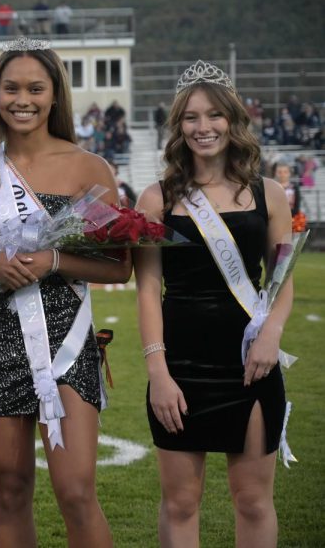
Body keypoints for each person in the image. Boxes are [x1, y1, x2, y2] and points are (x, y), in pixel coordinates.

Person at [0, 38, 130, 548]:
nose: (21, 99)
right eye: (11, 88)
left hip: (67, 339)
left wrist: (53, 260)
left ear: (55, 96)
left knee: (75, 490)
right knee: (10, 489)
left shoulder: (90, 168)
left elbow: (117, 261)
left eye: (35, 88)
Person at [133, 60, 293, 547]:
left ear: (233, 120)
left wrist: (271, 335)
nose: (203, 128)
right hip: (180, 365)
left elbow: (282, 279)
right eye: (191, 118)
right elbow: (147, 289)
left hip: (251, 363)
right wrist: (158, 372)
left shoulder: (269, 194)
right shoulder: (156, 199)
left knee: (253, 501)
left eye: (215, 115)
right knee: (181, 503)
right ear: (178, 126)